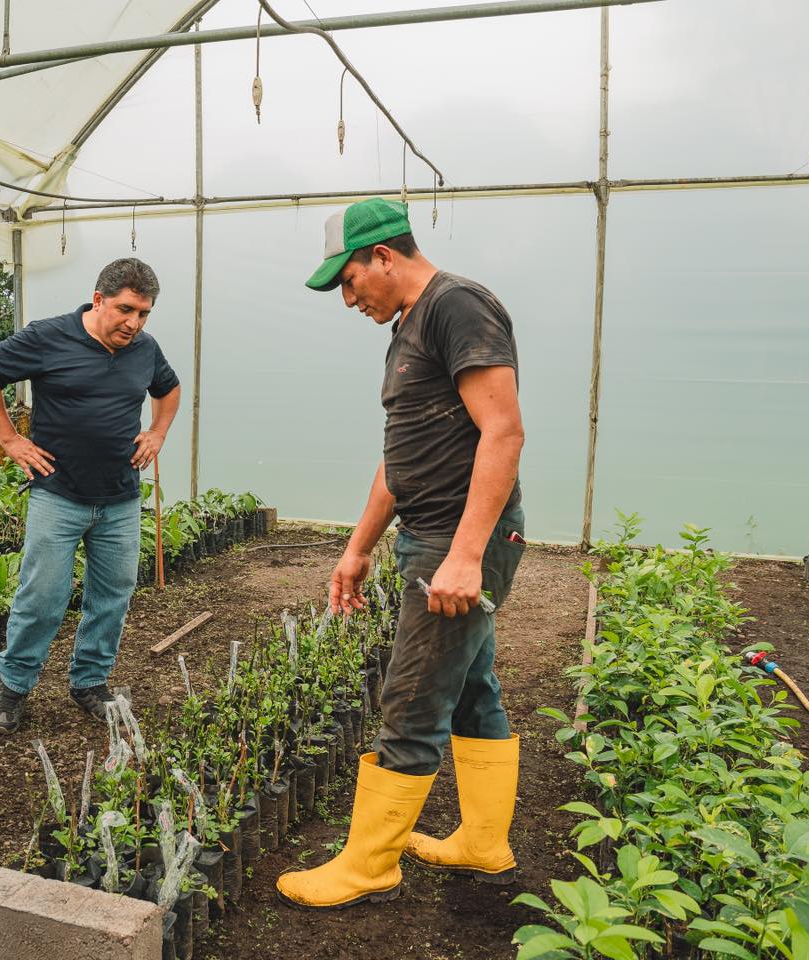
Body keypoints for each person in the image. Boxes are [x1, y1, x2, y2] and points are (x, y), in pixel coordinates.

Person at [275, 198, 527, 910]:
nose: (348, 298)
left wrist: (466, 554)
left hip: (457, 541)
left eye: (350, 281)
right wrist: (357, 548)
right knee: (473, 689)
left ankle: (369, 865)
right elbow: (402, 457)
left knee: (412, 697)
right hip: (431, 536)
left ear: (384, 255)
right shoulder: (408, 329)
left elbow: (503, 433)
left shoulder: (458, 307)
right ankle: (483, 843)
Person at [0, 258, 181, 735]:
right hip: (59, 493)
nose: (135, 323)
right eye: (126, 310)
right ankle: (13, 688)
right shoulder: (47, 336)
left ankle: (89, 682)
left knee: (112, 594)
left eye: (145, 313)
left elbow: (168, 392)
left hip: (120, 498)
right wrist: (9, 438)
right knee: (42, 597)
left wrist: (158, 432)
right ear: (98, 300)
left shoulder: (145, 349)